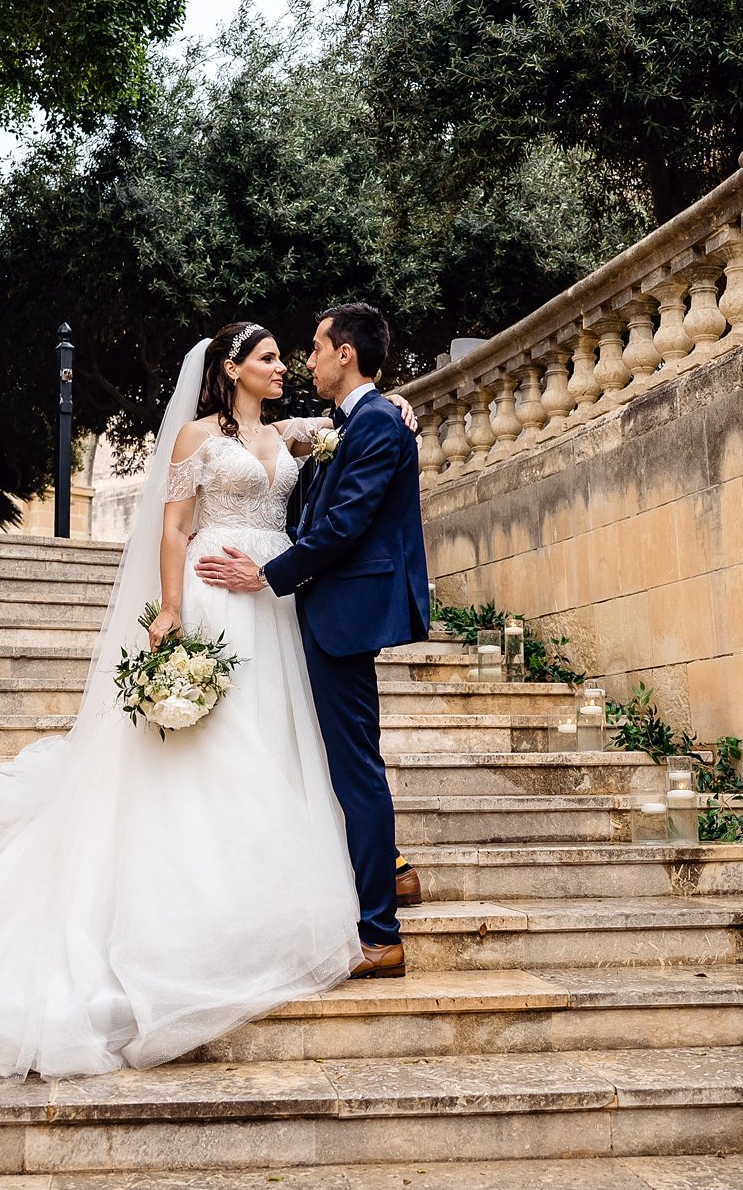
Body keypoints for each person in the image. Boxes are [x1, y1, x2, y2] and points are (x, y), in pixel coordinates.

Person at [0, 321, 419, 1079]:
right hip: (224, 596)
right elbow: (175, 526)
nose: (286, 365)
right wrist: (171, 607)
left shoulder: (293, 436)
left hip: (281, 606)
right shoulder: (193, 437)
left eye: (293, 354)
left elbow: (348, 427)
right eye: (270, 357)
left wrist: (401, 403)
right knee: (220, 752)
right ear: (231, 367)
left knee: (294, 745)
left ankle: (351, 871)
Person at [195, 303, 431, 978]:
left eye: (317, 346)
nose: (307, 360)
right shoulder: (354, 422)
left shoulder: (378, 422)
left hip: (343, 613)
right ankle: (390, 876)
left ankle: (380, 932)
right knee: (339, 758)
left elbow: (344, 526)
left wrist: (266, 573)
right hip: (321, 610)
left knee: (355, 766)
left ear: (345, 354)